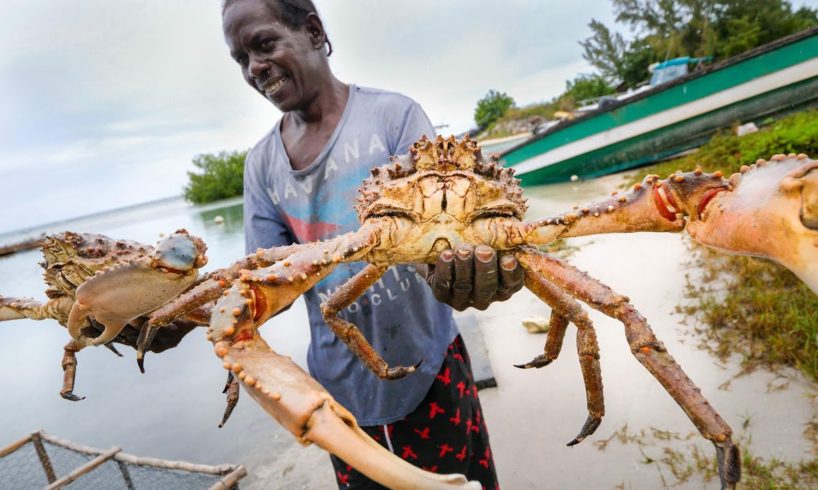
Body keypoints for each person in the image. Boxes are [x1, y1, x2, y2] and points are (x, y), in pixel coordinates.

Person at [221, 0, 523, 487]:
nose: (255, 67)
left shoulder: (393, 116)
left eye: (264, 44)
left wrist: (460, 274)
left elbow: (445, 234)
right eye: (241, 59)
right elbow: (263, 285)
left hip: (430, 365)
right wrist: (186, 312)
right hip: (339, 392)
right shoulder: (261, 165)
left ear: (314, 30)